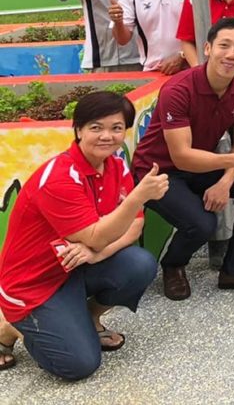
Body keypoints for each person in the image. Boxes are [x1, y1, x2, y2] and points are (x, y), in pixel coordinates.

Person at [0, 93, 167, 379]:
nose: (107, 136)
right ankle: (9, 326)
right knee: (78, 365)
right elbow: (94, 235)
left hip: (74, 266)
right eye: (96, 127)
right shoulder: (60, 177)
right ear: (78, 130)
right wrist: (138, 197)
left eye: (116, 128)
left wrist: (95, 254)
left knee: (140, 264)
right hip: (33, 283)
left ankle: (88, 317)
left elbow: (134, 226)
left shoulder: (116, 165)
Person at [131, 18, 234, 300]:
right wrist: (232, 165)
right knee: (202, 224)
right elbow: (182, 157)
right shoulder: (179, 89)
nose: (231, 54)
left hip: (203, 165)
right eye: (224, 45)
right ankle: (173, 266)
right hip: (158, 172)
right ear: (208, 48)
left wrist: (225, 182)